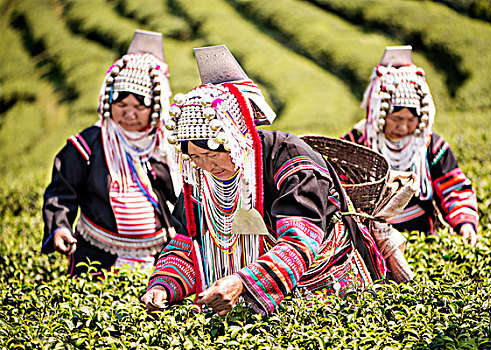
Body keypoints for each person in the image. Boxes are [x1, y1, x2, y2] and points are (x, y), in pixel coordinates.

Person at [140, 45, 402, 316]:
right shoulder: (198, 179)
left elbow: (301, 241)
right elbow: (185, 241)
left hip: (322, 290)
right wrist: (163, 286)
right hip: (244, 292)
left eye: (211, 154)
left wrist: (243, 283)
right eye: (195, 157)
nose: (207, 165)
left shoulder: (291, 159)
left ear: (236, 140)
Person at [41, 30, 179, 276]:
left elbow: (179, 196)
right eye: (121, 105)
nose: (129, 114)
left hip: (157, 257)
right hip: (96, 256)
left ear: (155, 109)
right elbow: (62, 191)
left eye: (139, 107)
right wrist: (59, 227)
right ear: (108, 102)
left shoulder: (163, 146)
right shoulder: (88, 144)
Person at [342, 46, 479, 247]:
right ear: (379, 114)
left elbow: (453, 187)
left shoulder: (430, 144)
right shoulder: (356, 143)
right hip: (371, 241)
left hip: (424, 237)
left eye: (411, 120)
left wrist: (464, 224)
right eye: (396, 119)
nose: (403, 127)